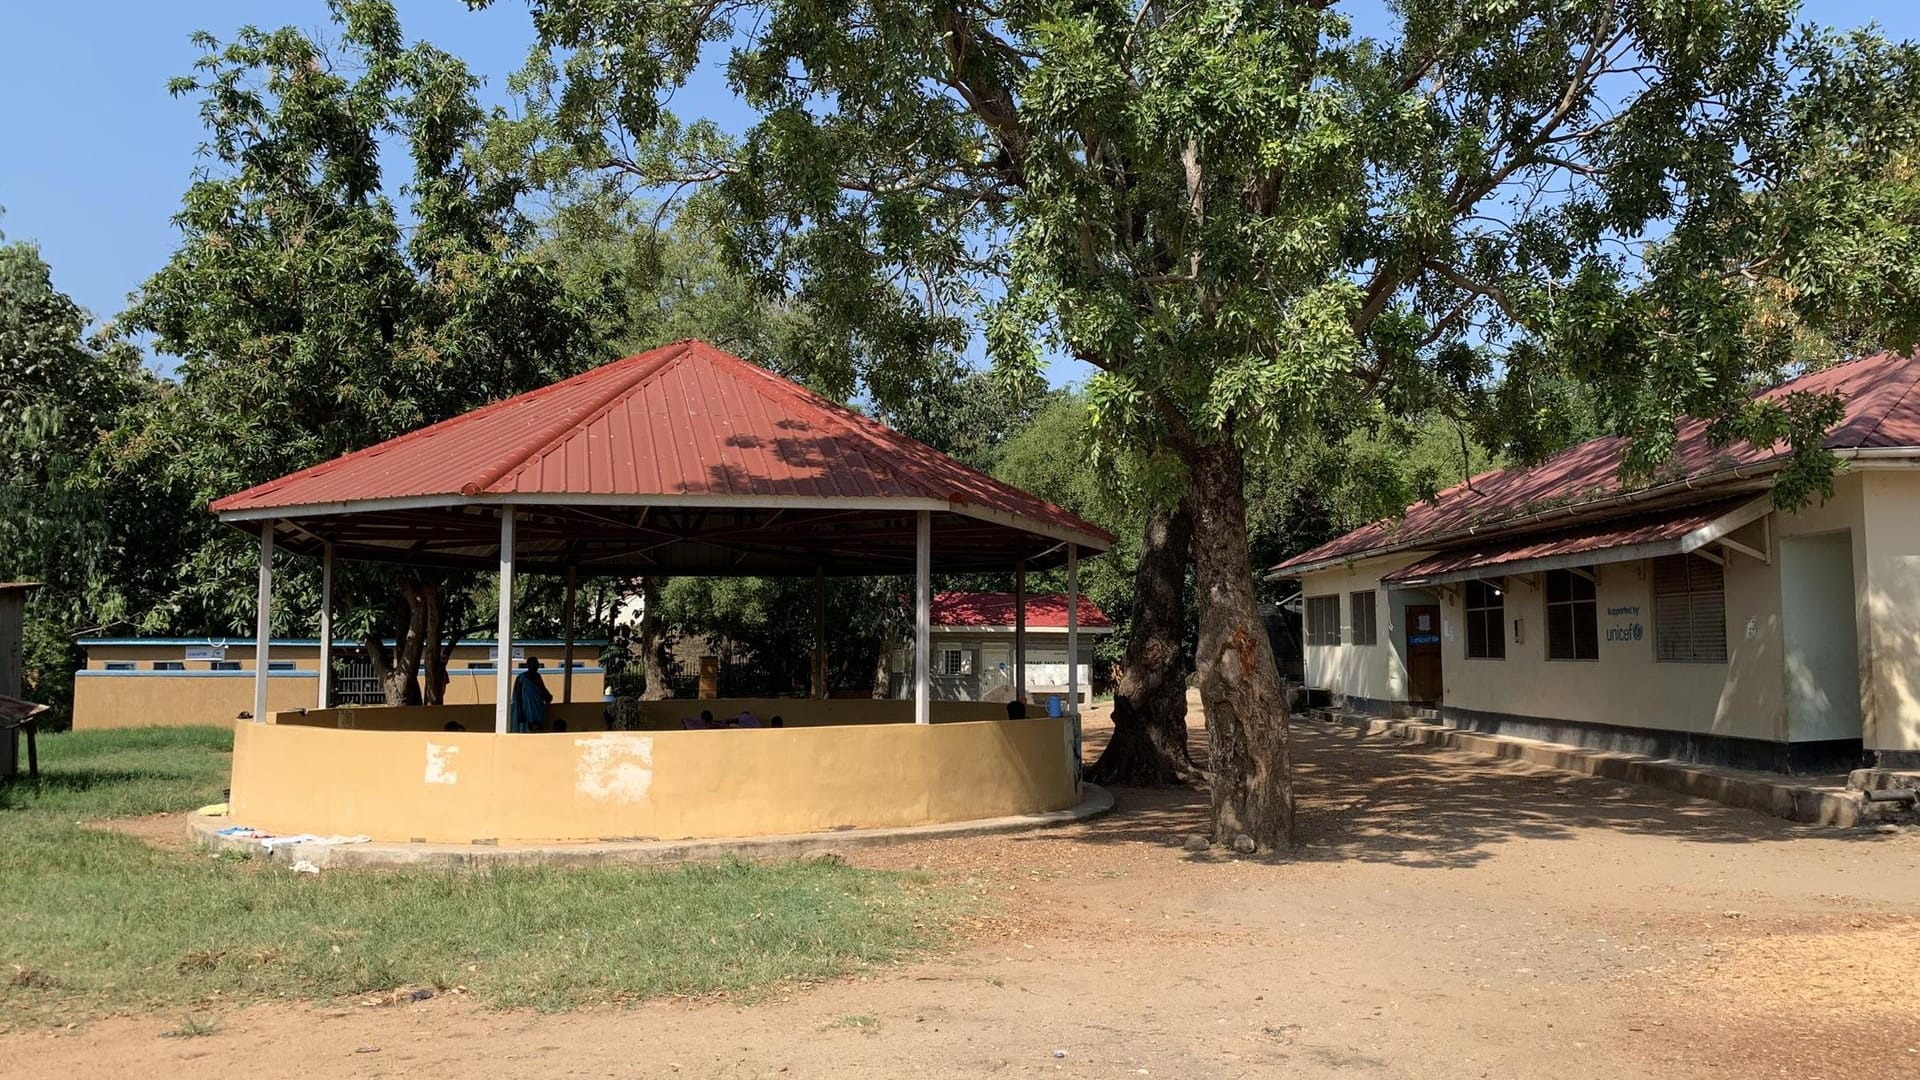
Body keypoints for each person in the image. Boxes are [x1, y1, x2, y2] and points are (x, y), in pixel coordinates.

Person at [510, 656, 552, 734]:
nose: (536, 666)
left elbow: (542, 689)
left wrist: (548, 696)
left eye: (537, 664)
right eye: (534, 664)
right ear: (528, 665)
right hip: (526, 710)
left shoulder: (538, 677)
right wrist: (520, 712)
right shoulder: (521, 678)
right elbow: (517, 697)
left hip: (538, 708)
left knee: (538, 730)